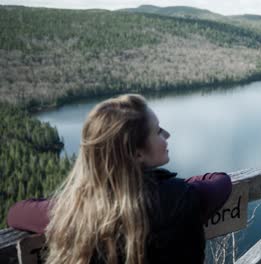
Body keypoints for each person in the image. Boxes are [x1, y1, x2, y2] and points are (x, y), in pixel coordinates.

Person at [7, 94, 232, 264]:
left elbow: (16, 213)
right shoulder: (182, 197)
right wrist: (182, 186)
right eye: (157, 131)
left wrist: (71, 202)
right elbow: (221, 182)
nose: (167, 135)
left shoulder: (74, 211)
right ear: (136, 153)